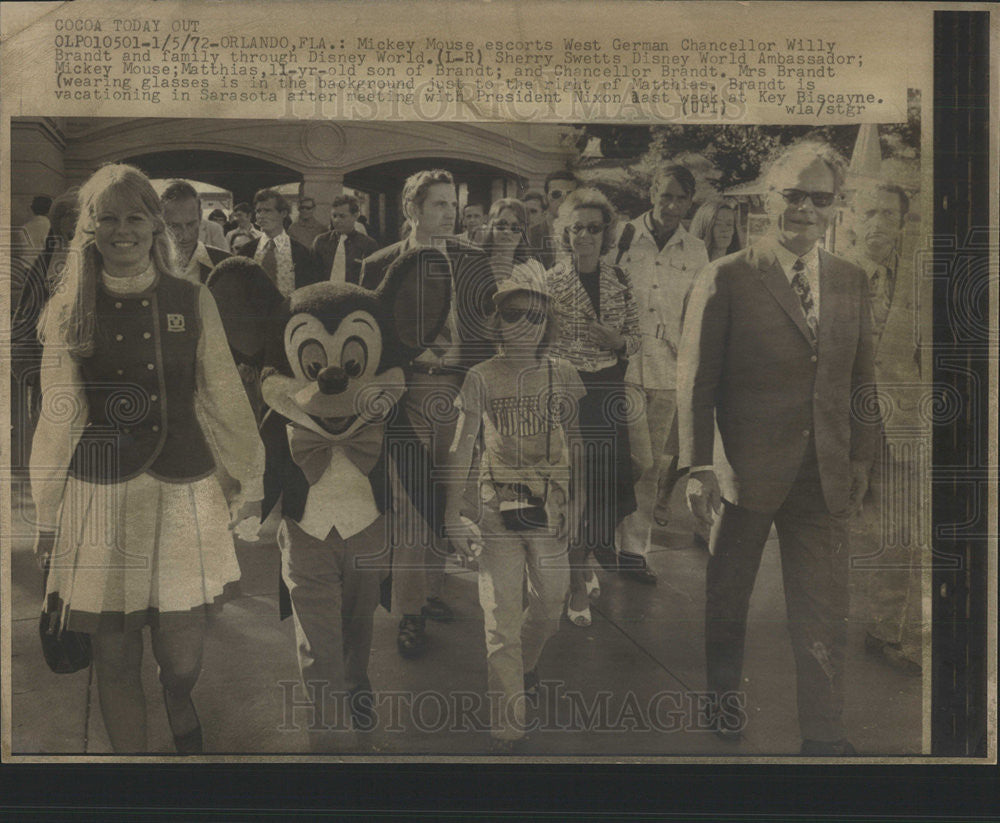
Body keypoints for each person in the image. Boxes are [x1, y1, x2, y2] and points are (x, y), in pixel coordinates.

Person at [30, 163, 264, 754]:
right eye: (105, 218)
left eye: (134, 216)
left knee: (181, 657)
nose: (121, 229)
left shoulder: (193, 297)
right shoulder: (68, 309)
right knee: (114, 657)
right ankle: (133, 777)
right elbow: (59, 417)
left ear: (155, 225)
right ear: (88, 229)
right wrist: (48, 514)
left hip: (184, 496)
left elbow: (223, 394)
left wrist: (249, 476)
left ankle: (177, 695)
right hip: (99, 499)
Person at [677, 141, 879, 755]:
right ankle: (721, 699)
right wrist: (699, 466)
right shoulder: (729, 275)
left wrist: (862, 457)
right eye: (794, 195)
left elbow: (862, 381)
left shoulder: (850, 281)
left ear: (836, 206)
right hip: (743, 474)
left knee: (823, 611)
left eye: (821, 198)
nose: (806, 209)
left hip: (824, 473)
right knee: (728, 598)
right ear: (770, 198)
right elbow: (696, 379)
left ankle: (823, 735)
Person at [446, 265, 585, 752]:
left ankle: (525, 664)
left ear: (550, 323)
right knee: (500, 614)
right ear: (496, 321)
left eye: (537, 316)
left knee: (551, 604)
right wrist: (451, 516)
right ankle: (509, 723)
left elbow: (578, 440)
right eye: (514, 315)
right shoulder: (480, 377)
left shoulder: (563, 373)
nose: (527, 325)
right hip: (494, 507)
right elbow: (462, 448)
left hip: (551, 506)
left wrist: (579, 502)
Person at [360, 168, 496, 658]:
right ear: (411, 209)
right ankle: (409, 611)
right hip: (408, 394)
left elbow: (487, 333)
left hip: (463, 395)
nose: (449, 212)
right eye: (438, 204)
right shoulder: (379, 265)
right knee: (410, 510)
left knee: (450, 501)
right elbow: (370, 341)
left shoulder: (474, 261)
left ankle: (433, 592)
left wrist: (471, 377)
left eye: (452, 204)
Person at [545, 187, 641, 628]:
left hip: (609, 390)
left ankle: (584, 560)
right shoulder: (549, 281)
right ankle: (577, 577)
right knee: (575, 487)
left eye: (594, 228)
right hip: (568, 393)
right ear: (564, 234)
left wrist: (619, 342)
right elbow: (538, 342)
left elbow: (638, 336)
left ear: (607, 234)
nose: (584, 235)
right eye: (576, 228)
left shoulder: (619, 278)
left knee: (605, 485)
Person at [612, 165, 710, 583]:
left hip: (667, 372)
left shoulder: (697, 251)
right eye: (665, 195)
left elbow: (697, 312)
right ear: (652, 192)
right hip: (622, 367)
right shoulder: (622, 237)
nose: (671, 206)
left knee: (651, 466)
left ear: (690, 203)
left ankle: (633, 551)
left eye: (680, 199)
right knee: (623, 460)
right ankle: (599, 539)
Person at [845, 180, 923, 675]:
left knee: (898, 531)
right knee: (824, 526)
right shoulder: (828, 274)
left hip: (900, 422)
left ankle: (883, 630)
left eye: (890, 215)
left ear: (901, 224)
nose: (879, 224)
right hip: (838, 421)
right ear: (855, 216)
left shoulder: (919, 281)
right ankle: (818, 619)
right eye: (871, 212)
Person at [11, 188, 80, 467]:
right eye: (64, 217)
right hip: (46, 348)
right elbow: (28, 305)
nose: (69, 225)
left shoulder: (96, 258)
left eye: (74, 218)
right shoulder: (46, 257)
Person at [241, 189, 321, 297]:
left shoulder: (301, 253)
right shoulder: (247, 251)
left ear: (283, 213)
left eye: (268, 210)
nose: (261, 216)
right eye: (258, 211)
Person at [160, 181, 230, 284]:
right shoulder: (149, 264)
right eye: (174, 226)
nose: (185, 235)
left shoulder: (226, 266)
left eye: (191, 224)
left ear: (200, 216)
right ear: (162, 221)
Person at [312, 194, 379, 284]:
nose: (337, 220)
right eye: (334, 216)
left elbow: (372, 279)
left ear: (355, 216)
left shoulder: (368, 245)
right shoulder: (320, 242)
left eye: (342, 216)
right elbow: (312, 276)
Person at [480, 198, 542, 285]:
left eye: (515, 228)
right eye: (501, 225)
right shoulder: (477, 266)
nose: (507, 232)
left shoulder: (534, 269)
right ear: (491, 227)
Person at [530, 171, 580, 269]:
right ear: (545, 199)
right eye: (556, 194)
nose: (564, 199)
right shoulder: (530, 235)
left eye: (570, 194)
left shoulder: (588, 233)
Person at [689, 197, 744, 262]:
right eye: (718, 224)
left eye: (729, 224)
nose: (724, 229)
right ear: (704, 227)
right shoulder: (691, 264)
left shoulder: (739, 266)